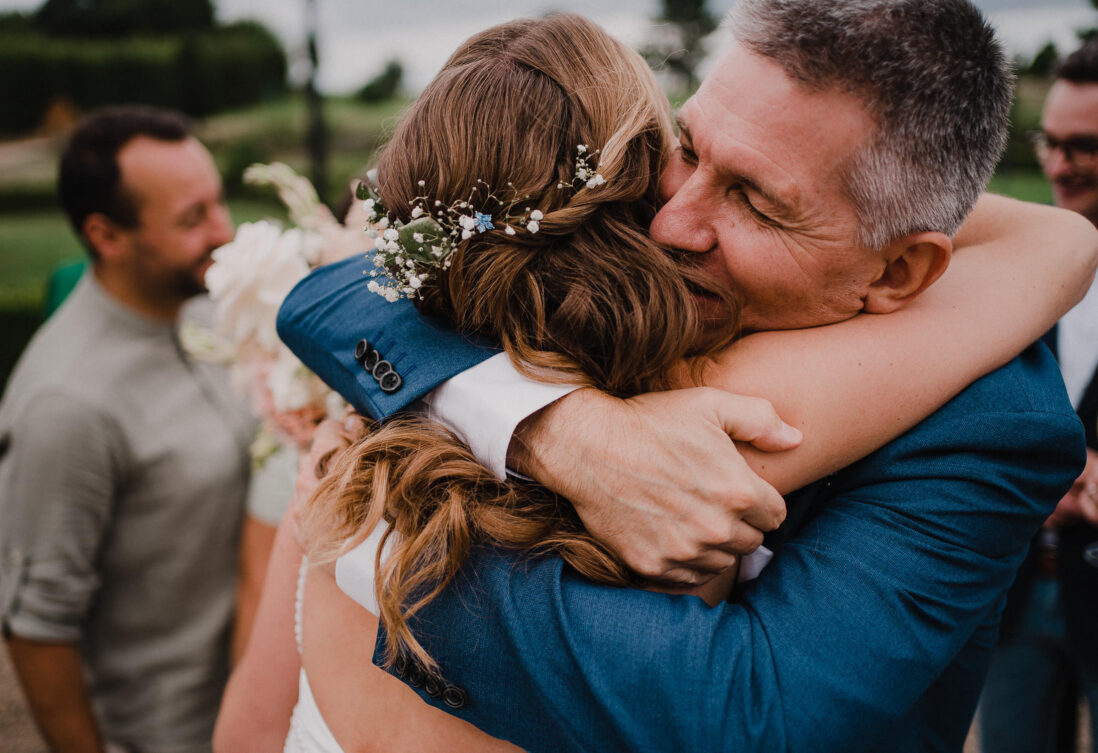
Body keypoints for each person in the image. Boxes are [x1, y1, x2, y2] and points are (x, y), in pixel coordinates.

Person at [223, 8, 1096, 753]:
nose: (672, 221)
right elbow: (337, 295)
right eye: (686, 146)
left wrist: (376, 546)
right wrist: (545, 423)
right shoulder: (573, 300)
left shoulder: (990, 422)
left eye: (756, 200)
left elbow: (751, 716)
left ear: (900, 270)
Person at [0, 106, 257, 753]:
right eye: (193, 218)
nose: (225, 230)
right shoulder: (65, 404)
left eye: (218, 202)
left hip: (258, 712)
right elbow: (36, 628)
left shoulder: (207, 307)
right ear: (106, 236)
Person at [979, 38, 1098, 753]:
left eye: (1082, 146)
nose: (1057, 166)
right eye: (1048, 141)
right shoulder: (1017, 270)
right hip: (1016, 592)